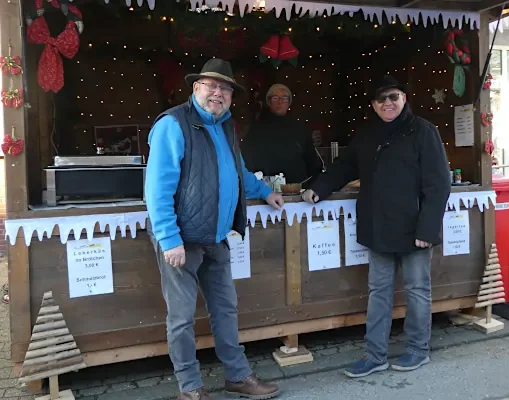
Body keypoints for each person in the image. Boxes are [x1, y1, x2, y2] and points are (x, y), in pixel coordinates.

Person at [145, 58, 284, 400]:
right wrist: (169, 237)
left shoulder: (225, 127)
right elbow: (157, 187)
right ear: (196, 88)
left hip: (217, 238)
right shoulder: (172, 124)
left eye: (225, 88)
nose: (218, 93)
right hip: (182, 241)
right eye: (211, 85)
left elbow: (238, 172)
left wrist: (265, 191)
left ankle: (237, 376)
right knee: (181, 318)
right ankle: (190, 389)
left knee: (225, 309)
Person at [302, 75, 451, 378]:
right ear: (373, 105)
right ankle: (375, 355)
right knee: (378, 292)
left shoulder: (424, 131)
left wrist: (428, 230)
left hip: (414, 230)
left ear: (404, 98)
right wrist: (320, 188)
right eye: (381, 99)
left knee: (418, 291)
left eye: (393, 97)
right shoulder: (367, 134)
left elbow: (439, 184)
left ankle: (417, 350)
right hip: (378, 228)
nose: (388, 103)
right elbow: (345, 166)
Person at [241, 84, 321, 186]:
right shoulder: (257, 129)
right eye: (275, 98)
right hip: (267, 190)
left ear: (289, 103)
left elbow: (311, 160)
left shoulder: (300, 128)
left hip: (298, 188)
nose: (280, 102)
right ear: (269, 102)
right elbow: (248, 160)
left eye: (284, 98)